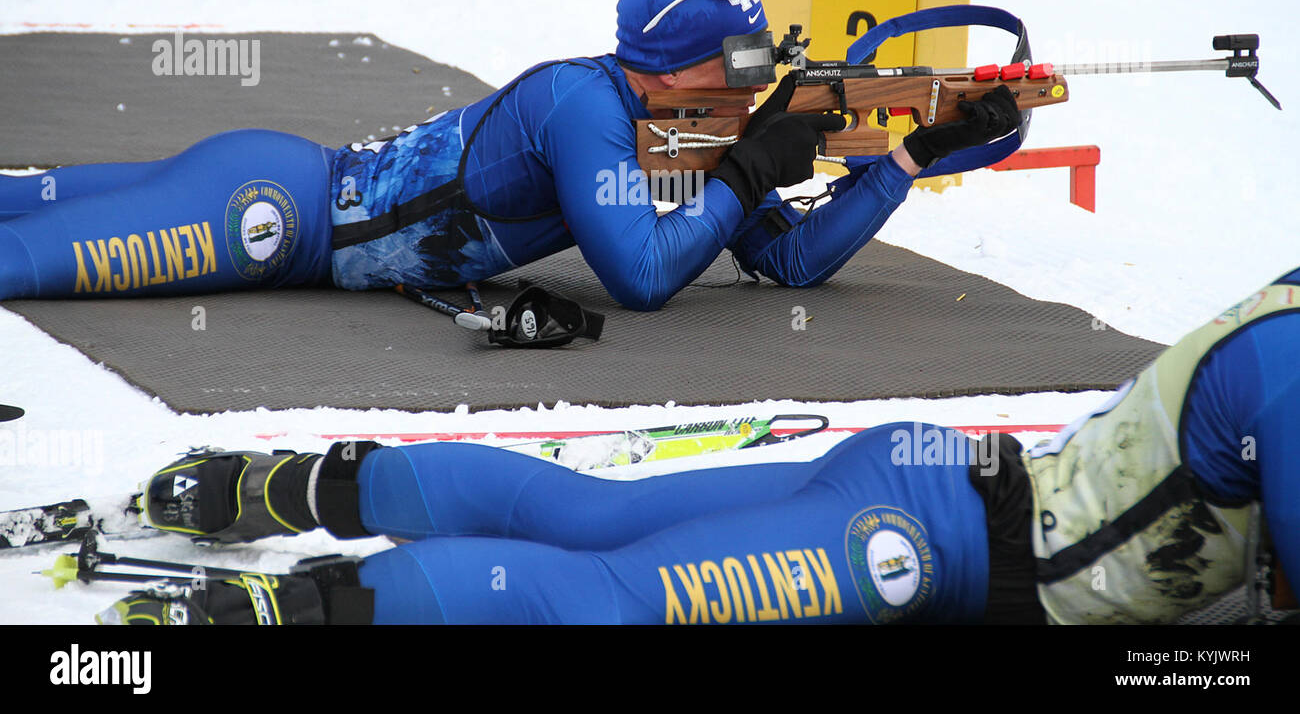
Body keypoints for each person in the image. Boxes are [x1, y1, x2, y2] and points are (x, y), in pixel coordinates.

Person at [102, 267, 1300, 625]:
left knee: (595, 520)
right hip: (932, 544)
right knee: (611, 594)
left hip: (945, 483)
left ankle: (288, 486)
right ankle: (305, 613)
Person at [0, 0, 1021, 310]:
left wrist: (909, 158)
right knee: (27, 260)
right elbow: (643, 278)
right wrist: (751, 168)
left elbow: (789, 264)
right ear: (683, 64)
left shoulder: (681, 129)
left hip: (273, 189)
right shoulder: (584, 109)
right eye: (746, 60)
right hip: (269, 211)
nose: (759, 77)